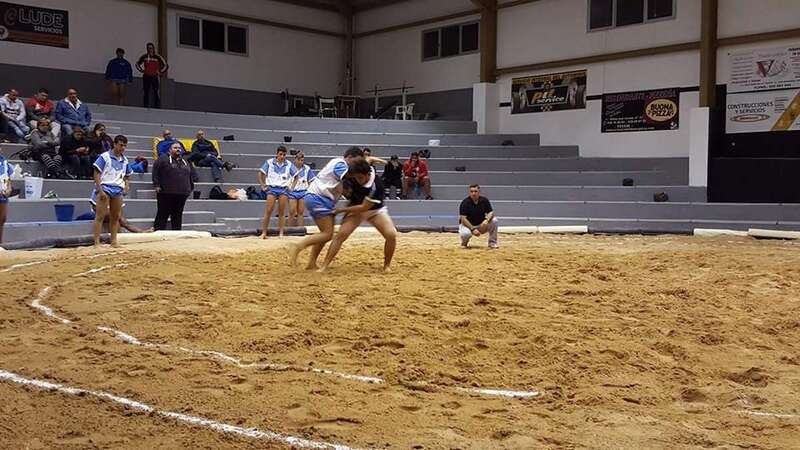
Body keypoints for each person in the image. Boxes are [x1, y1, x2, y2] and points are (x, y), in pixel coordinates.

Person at [288, 147, 366, 269]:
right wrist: (366, 167)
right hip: (318, 198)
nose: (358, 165)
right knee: (327, 234)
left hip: (321, 199)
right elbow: (347, 176)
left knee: (325, 233)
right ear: (350, 157)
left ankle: (311, 262)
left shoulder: (338, 164)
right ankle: (298, 246)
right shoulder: (340, 163)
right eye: (357, 162)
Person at [318, 160, 397, 273]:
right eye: (356, 177)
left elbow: (364, 207)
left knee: (391, 234)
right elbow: (367, 159)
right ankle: (325, 265)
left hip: (374, 210)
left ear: (368, 175)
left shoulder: (376, 186)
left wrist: (341, 210)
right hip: (355, 208)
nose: (358, 180)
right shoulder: (354, 174)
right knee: (341, 235)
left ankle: (387, 265)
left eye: (360, 178)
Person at [93, 135, 132, 247]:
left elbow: (127, 175)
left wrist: (126, 185)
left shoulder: (125, 160)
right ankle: (96, 242)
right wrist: (100, 190)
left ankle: (114, 241)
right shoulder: (105, 157)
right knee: (100, 216)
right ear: (114, 144)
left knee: (115, 216)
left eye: (125, 146)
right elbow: (96, 173)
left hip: (118, 189)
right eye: (120, 145)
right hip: (105, 187)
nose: (122, 148)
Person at [152, 141, 196, 231]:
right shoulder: (163, 159)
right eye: (175, 148)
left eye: (179, 148)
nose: (178, 149)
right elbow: (155, 171)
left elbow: (190, 174)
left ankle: (177, 234)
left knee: (177, 215)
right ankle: (158, 233)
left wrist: (191, 187)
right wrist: (156, 185)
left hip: (182, 193)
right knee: (162, 214)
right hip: (166, 192)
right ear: (170, 150)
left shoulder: (185, 161)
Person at [259, 146, 297, 238]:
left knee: (281, 212)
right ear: (277, 154)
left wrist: (292, 187)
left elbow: (296, 176)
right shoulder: (269, 162)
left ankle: (281, 233)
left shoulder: (289, 164)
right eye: (280, 154)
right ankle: (264, 232)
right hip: (272, 188)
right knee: (268, 210)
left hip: (283, 189)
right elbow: (260, 173)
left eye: (284, 155)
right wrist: (263, 185)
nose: (282, 156)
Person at [459, 184, 498, 249]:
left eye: (475, 191)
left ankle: (492, 243)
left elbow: (491, 212)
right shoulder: (465, 203)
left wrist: (486, 220)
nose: (473, 193)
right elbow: (463, 219)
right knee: (465, 234)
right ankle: (464, 243)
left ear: (479, 192)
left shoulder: (484, 200)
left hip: (481, 225)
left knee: (494, 221)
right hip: (468, 226)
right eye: (471, 191)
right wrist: (473, 229)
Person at [136, 42, 168, 108]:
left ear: (153, 48)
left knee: (156, 92)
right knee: (146, 92)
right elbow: (137, 64)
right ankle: (145, 106)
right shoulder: (144, 56)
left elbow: (166, 65)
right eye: (148, 48)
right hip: (146, 76)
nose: (150, 49)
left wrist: (160, 72)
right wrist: (142, 70)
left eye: (151, 48)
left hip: (154, 76)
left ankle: (157, 107)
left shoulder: (157, 57)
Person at [287, 152, 315, 227]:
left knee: (300, 212)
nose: (300, 162)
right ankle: (289, 230)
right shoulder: (289, 167)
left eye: (302, 160)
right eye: (298, 159)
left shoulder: (307, 169)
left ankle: (300, 230)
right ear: (295, 159)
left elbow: (311, 180)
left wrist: (310, 191)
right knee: (292, 211)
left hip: (303, 192)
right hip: (292, 192)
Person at [0, 152, 13, 243]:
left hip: (2, 196)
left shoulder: (4, 161)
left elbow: (7, 179)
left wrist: (9, 188)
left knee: (2, 219)